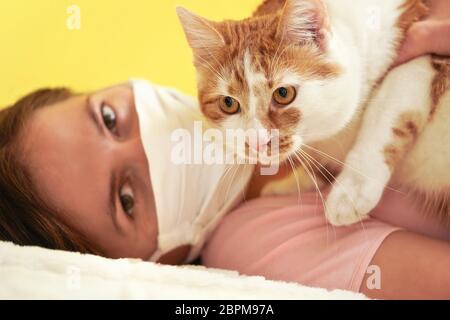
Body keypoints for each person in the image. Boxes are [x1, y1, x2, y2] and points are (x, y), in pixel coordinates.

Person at [0, 2, 449, 298]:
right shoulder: (247, 240)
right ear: (156, 260)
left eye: (110, 120)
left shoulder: (255, 62)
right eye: (126, 199)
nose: (148, 145)